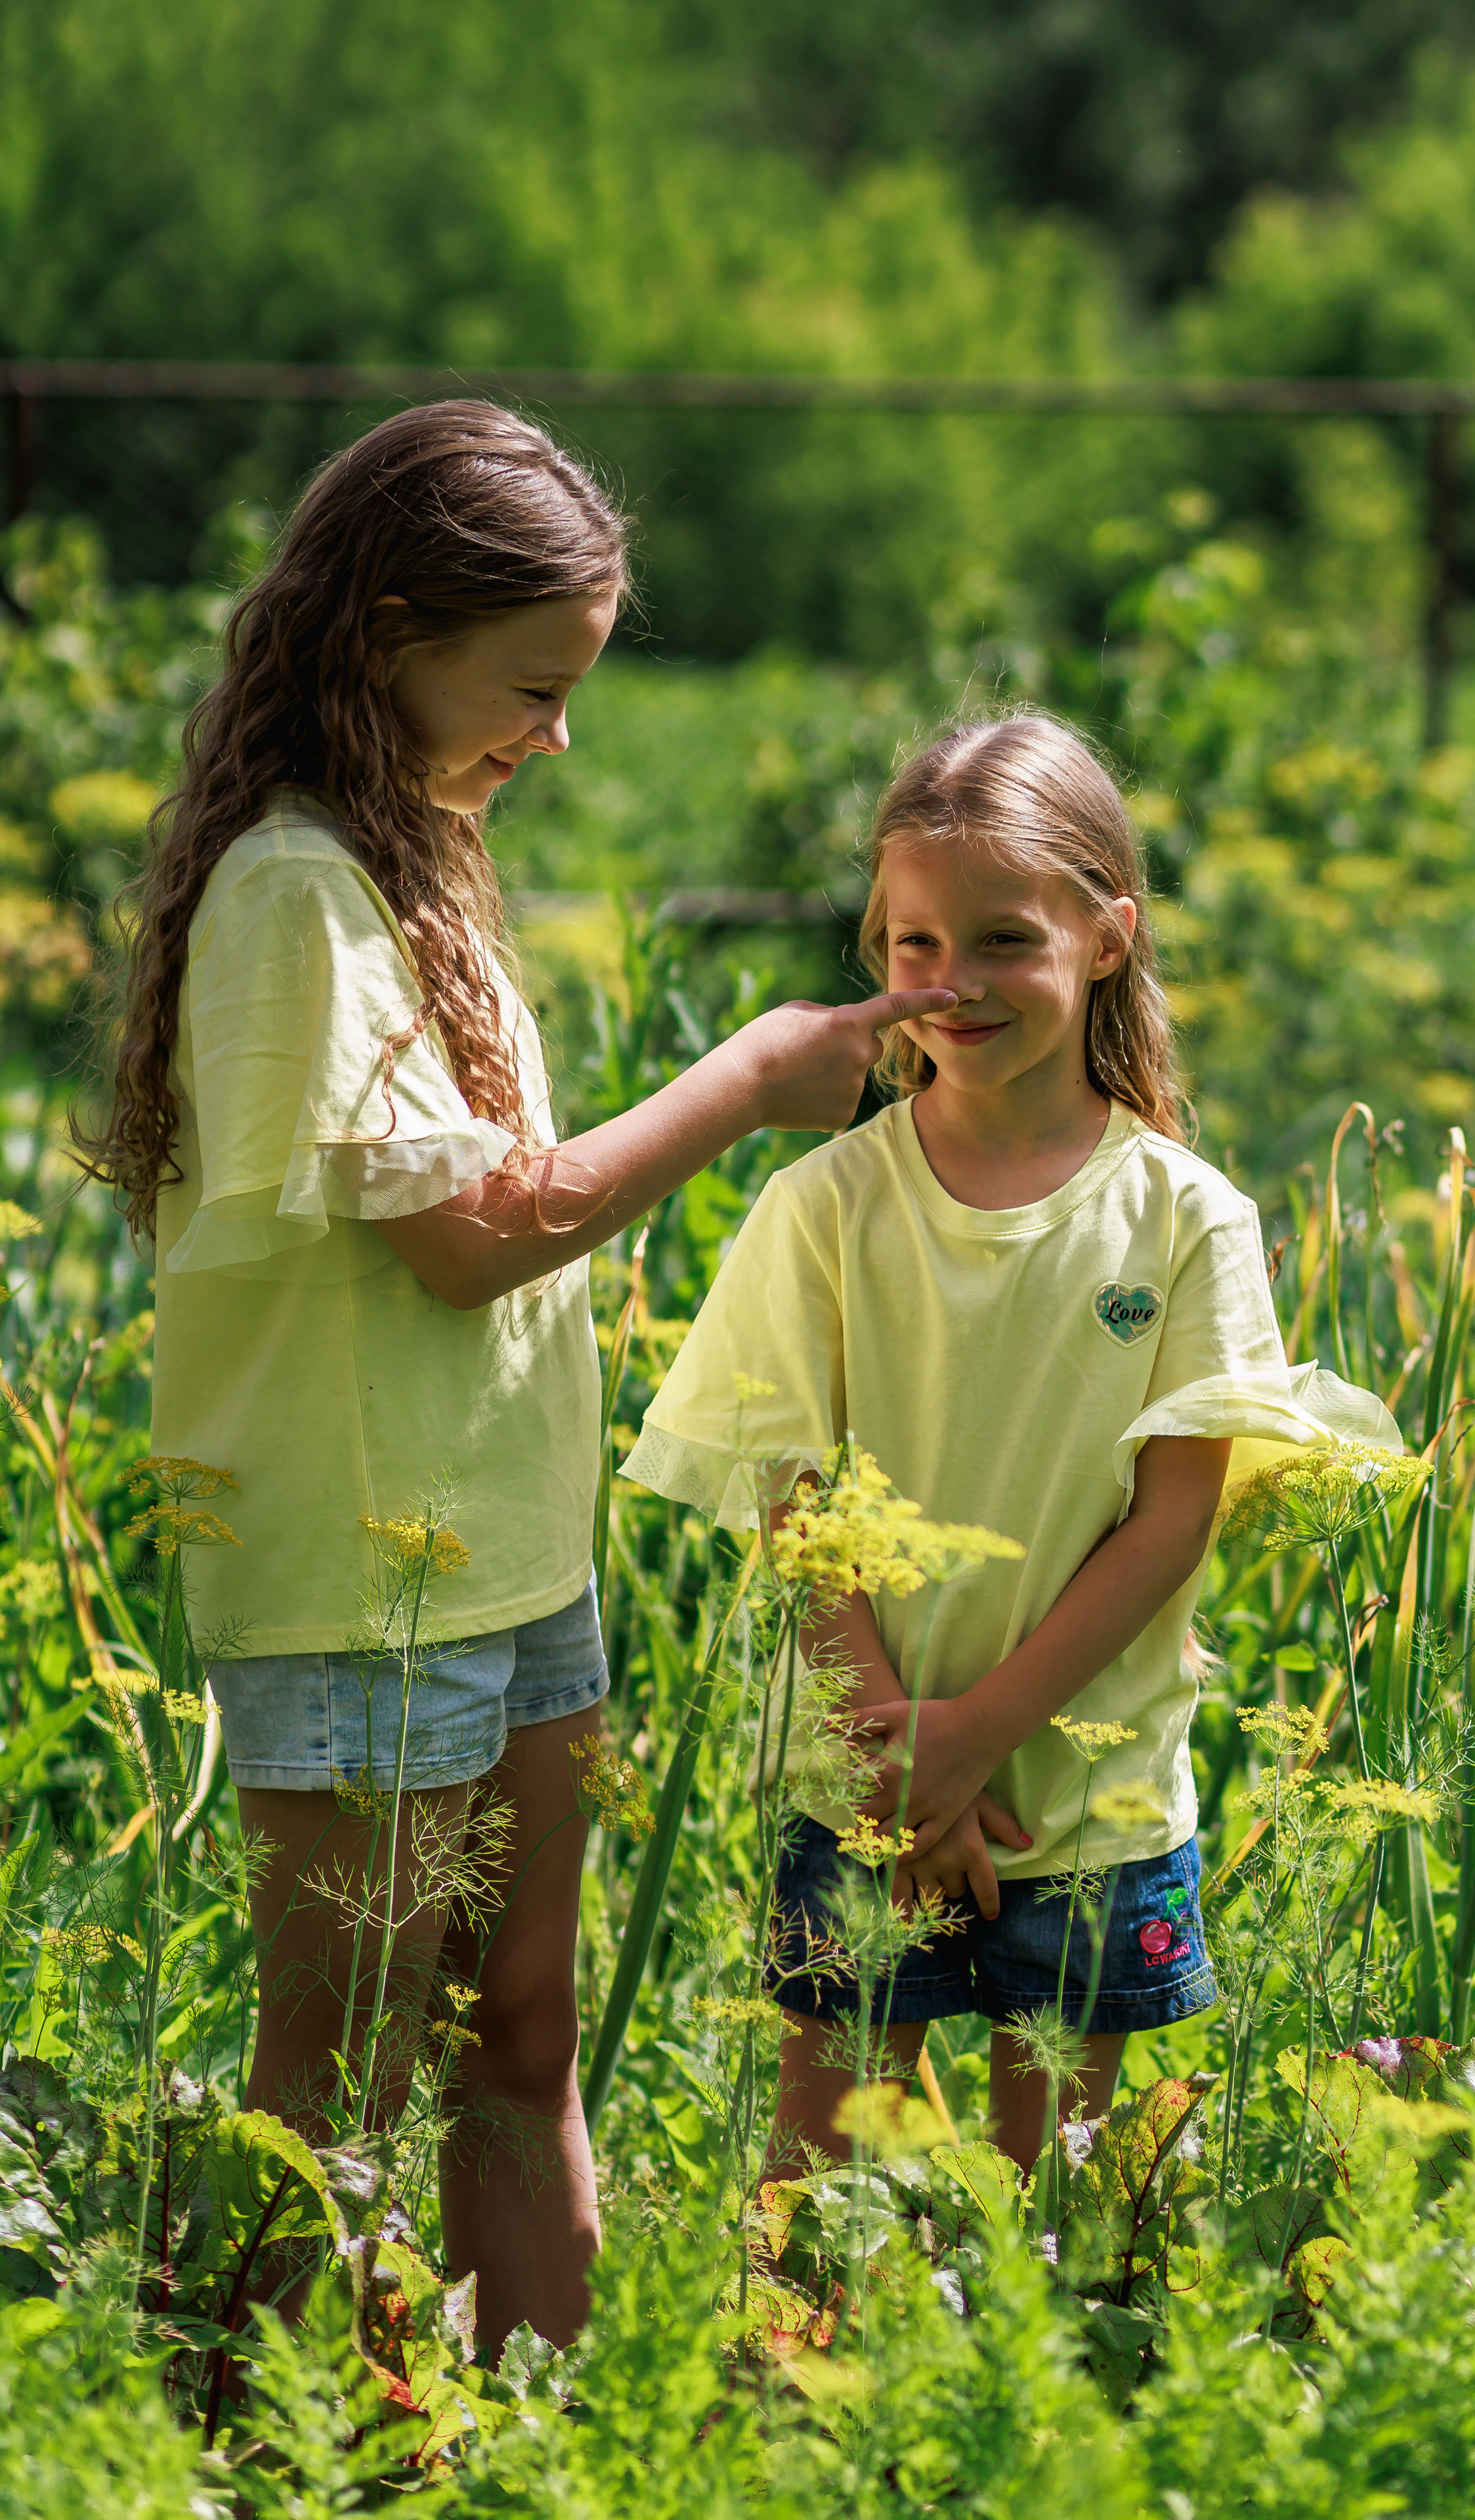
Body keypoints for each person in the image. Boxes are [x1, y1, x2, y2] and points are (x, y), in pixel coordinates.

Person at [77, 400, 957, 2349]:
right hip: (359, 1577)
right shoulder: (296, 890)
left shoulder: (421, 854)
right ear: (387, 634)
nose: (556, 737)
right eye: (532, 687)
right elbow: (469, 1237)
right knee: (342, 2081)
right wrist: (746, 1081)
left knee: (523, 2028)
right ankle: (270, 2447)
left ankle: (539, 2436)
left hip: (508, 1553)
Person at [623, 711, 1396, 2173]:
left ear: (1106, 938)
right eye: (917, 943)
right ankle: (815, 2350)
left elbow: (1170, 1525)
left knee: (1058, 2201)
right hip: (860, 1785)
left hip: (1088, 1799)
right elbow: (795, 1509)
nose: (955, 982)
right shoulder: (823, 1207)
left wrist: (974, 1737)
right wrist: (902, 1767)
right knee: (820, 2179)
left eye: (1003, 941)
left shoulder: (1186, 1219)